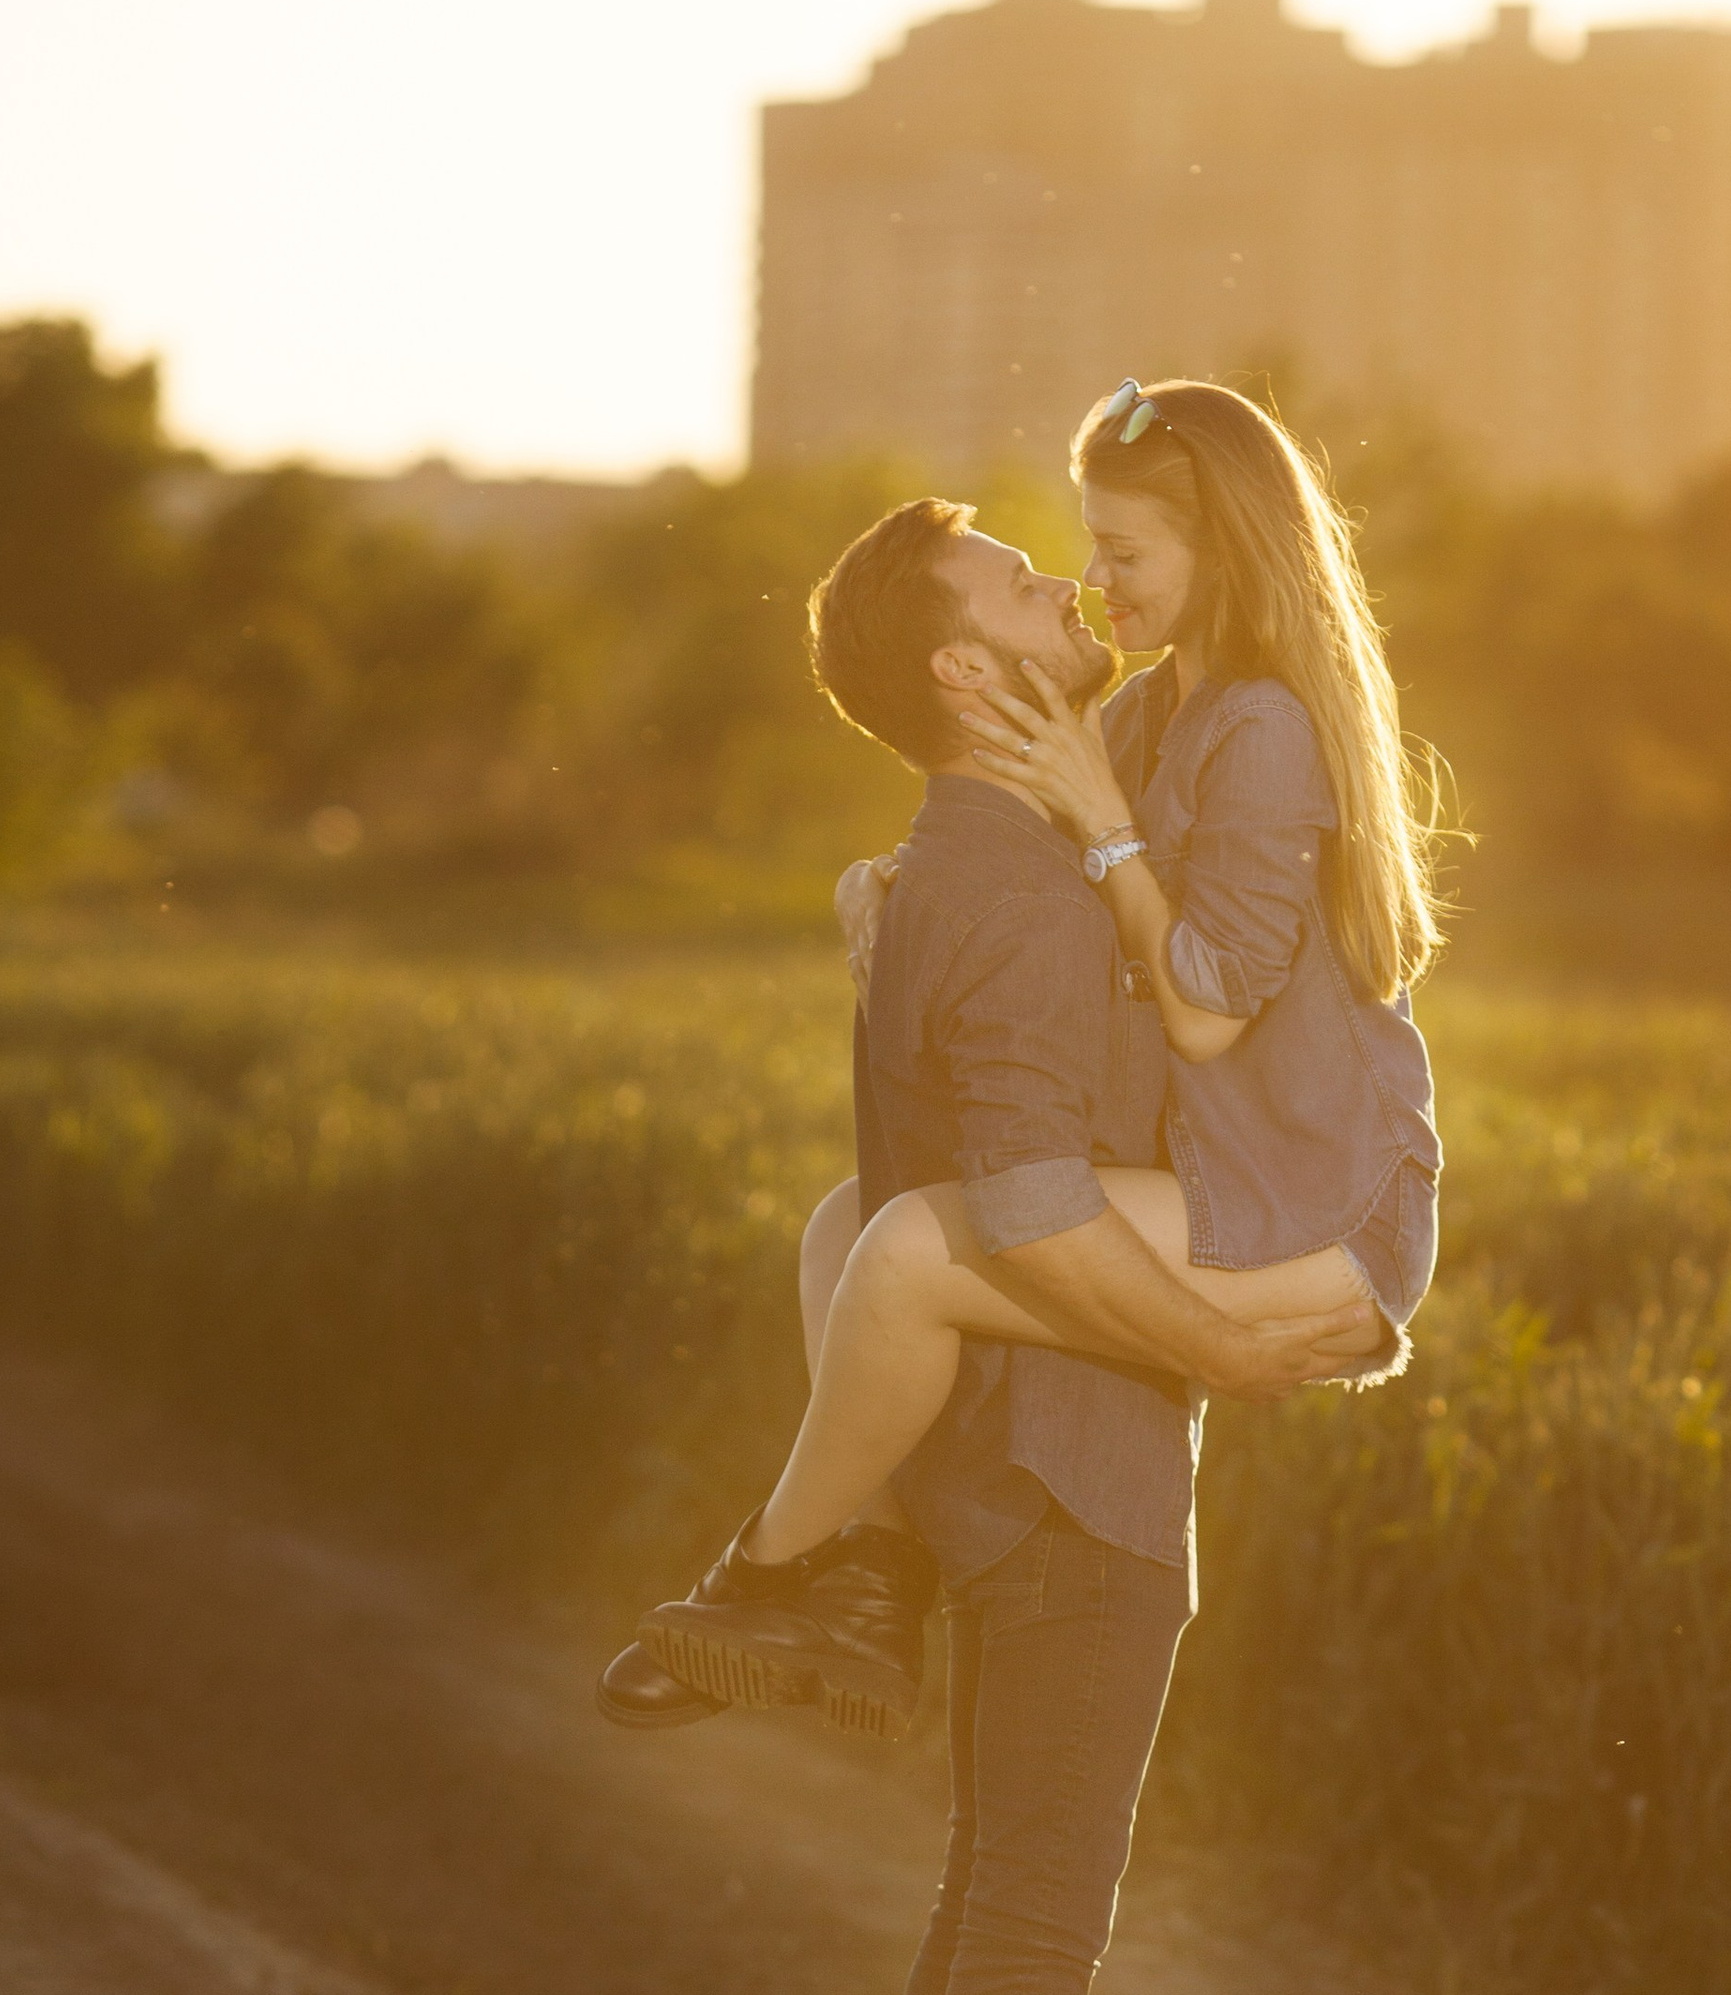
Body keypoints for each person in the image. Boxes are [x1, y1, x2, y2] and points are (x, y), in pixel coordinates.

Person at [606, 379, 1444, 1749]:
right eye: (1089, 547)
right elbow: (1023, 871)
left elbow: (1211, 1010)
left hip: (1319, 1203)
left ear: (1221, 552)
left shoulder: (1265, 729)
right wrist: (886, 887)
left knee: (906, 1260)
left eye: (1124, 556)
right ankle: (873, 1579)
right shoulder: (1143, 714)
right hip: (1219, 1178)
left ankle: (758, 1576)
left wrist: (1109, 825)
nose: (1094, 581)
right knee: (848, 1229)